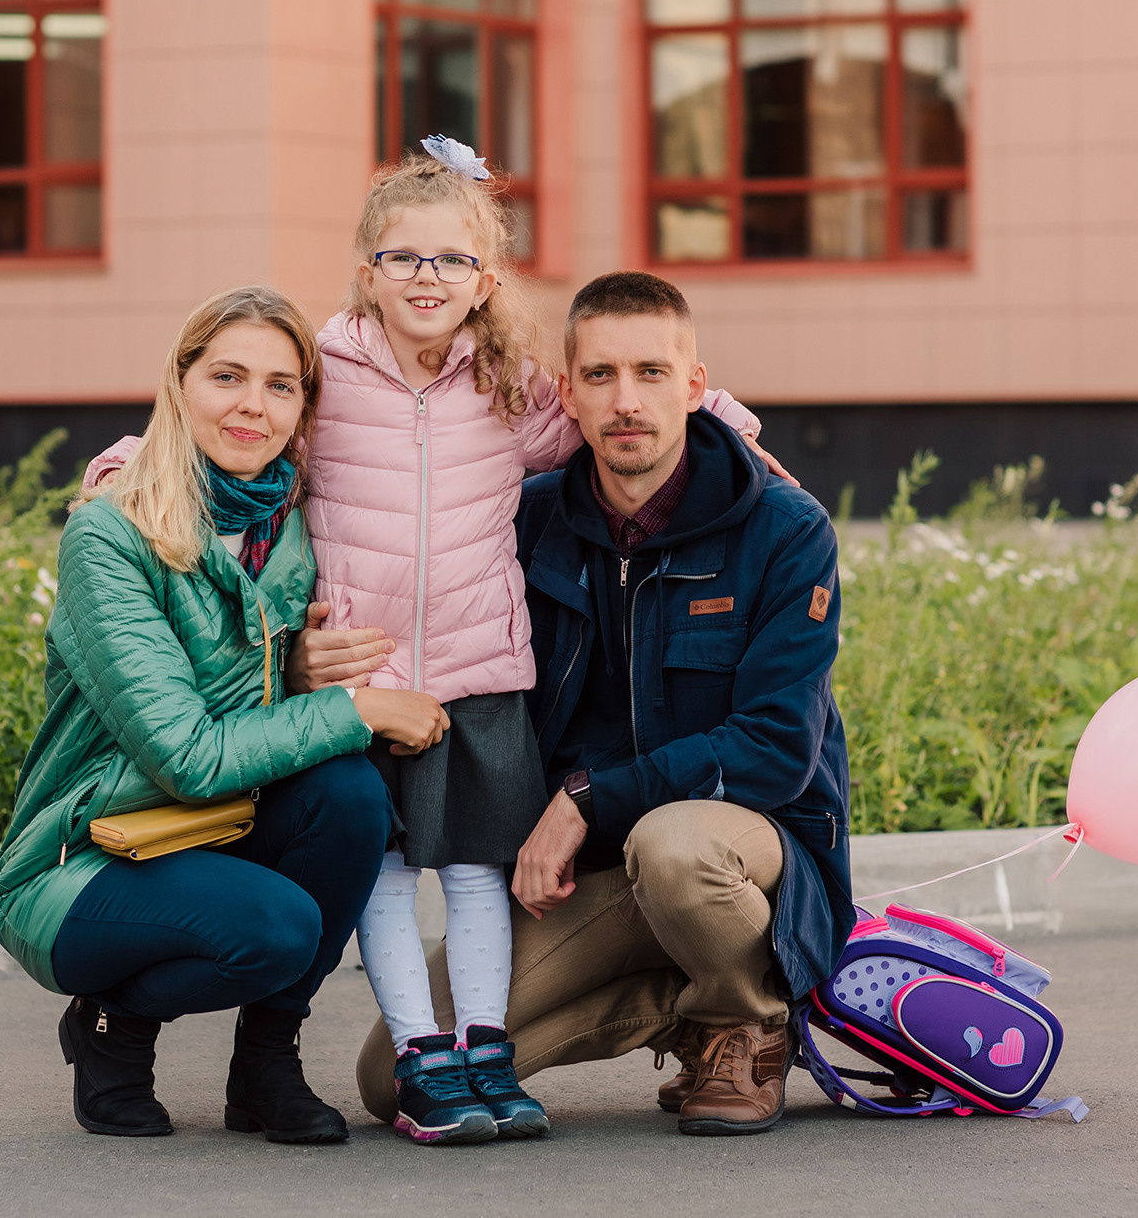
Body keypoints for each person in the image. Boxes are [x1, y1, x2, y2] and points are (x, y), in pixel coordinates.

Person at [86, 141, 788, 1145]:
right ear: (367, 270)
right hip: (361, 676)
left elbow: (622, 405)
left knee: (472, 870)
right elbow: (216, 432)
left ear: (483, 280)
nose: (426, 277)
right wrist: (115, 468)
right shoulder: (323, 381)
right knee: (376, 865)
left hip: (479, 674)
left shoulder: (508, 390)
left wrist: (734, 434)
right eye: (402, 257)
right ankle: (421, 1054)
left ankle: (483, 1047)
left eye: (450, 260)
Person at [347, 270, 856, 1137]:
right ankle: (686, 1008)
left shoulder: (783, 526)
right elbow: (373, 479)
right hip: (591, 874)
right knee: (395, 1081)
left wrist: (585, 800)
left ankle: (747, 1019)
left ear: (696, 387)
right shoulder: (526, 516)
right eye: (601, 376)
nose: (627, 401)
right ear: (567, 393)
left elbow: (775, 749)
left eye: (652, 373)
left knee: (676, 846)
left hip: (741, 845)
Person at [0, 286, 448, 1146]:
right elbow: (187, 755)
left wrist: (716, 422)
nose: (253, 405)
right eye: (227, 375)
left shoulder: (294, 525)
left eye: (281, 385)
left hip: (213, 829)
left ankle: (266, 1068)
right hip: (85, 856)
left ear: (305, 407)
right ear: (179, 383)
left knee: (350, 796)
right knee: (277, 927)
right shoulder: (111, 534)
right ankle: (111, 1028)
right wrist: (355, 704)